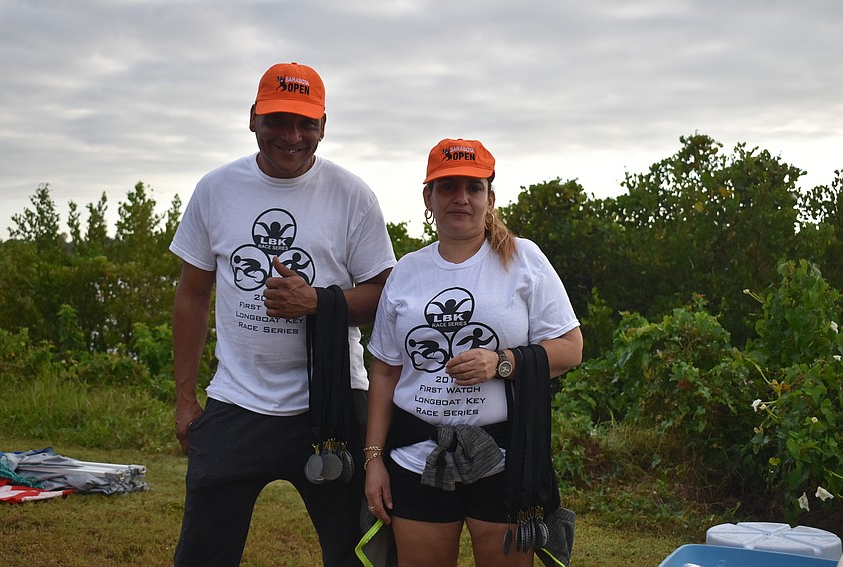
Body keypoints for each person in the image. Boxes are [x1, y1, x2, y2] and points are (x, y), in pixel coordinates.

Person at [170, 61, 396, 567]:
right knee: (202, 555)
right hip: (237, 399)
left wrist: (318, 301)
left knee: (356, 554)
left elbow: (385, 294)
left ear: (323, 126)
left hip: (334, 402)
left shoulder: (352, 195)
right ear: (253, 118)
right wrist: (186, 398)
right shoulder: (216, 189)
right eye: (277, 120)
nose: (291, 136)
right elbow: (191, 294)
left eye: (305, 124)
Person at [363, 138, 583, 566]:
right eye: (447, 187)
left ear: (490, 198)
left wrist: (503, 362)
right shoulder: (408, 271)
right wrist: (374, 459)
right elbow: (386, 371)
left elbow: (570, 348)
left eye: (473, 187)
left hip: (504, 461)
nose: (461, 198)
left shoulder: (523, 260)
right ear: (428, 197)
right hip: (416, 456)